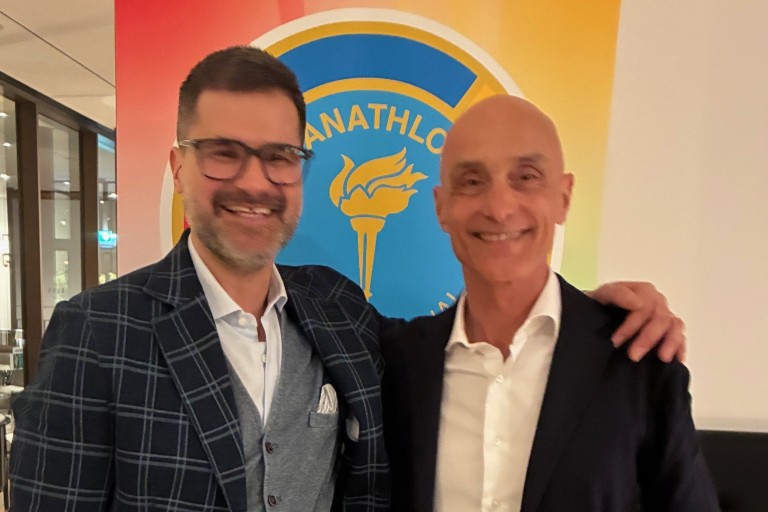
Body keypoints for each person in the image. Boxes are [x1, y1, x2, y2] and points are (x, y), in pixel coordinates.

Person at [9, 47, 687, 512]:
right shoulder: (96, 331)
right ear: (178, 166)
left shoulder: (338, 308)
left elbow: (486, 327)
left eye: (279, 156)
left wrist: (590, 313)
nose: (254, 181)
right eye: (223, 153)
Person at [381, 95, 719, 511]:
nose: (500, 208)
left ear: (564, 196)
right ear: (442, 207)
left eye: (526, 177)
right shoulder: (396, 363)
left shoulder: (639, 362)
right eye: (471, 181)